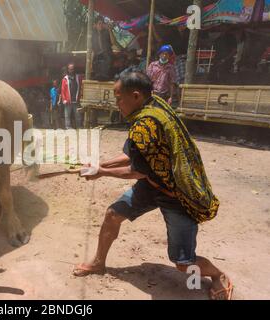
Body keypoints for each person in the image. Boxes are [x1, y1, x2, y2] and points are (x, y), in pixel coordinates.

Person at [73, 72, 233, 301]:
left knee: (184, 265)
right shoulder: (152, 106)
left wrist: (101, 172)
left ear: (136, 96)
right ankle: (99, 263)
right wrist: (98, 165)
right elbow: (132, 155)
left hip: (177, 194)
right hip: (154, 183)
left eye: (119, 98)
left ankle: (217, 275)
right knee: (112, 215)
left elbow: (137, 170)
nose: (116, 103)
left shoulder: (145, 125)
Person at [61, 63, 83, 129]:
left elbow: (82, 87)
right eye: (70, 69)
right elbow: (63, 90)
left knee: (78, 115)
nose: (71, 70)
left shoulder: (78, 78)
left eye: (72, 69)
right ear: (68, 70)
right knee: (67, 116)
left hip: (76, 101)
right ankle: (68, 128)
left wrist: (81, 97)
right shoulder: (65, 79)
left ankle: (79, 127)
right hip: (68, 101)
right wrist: (64, 99)